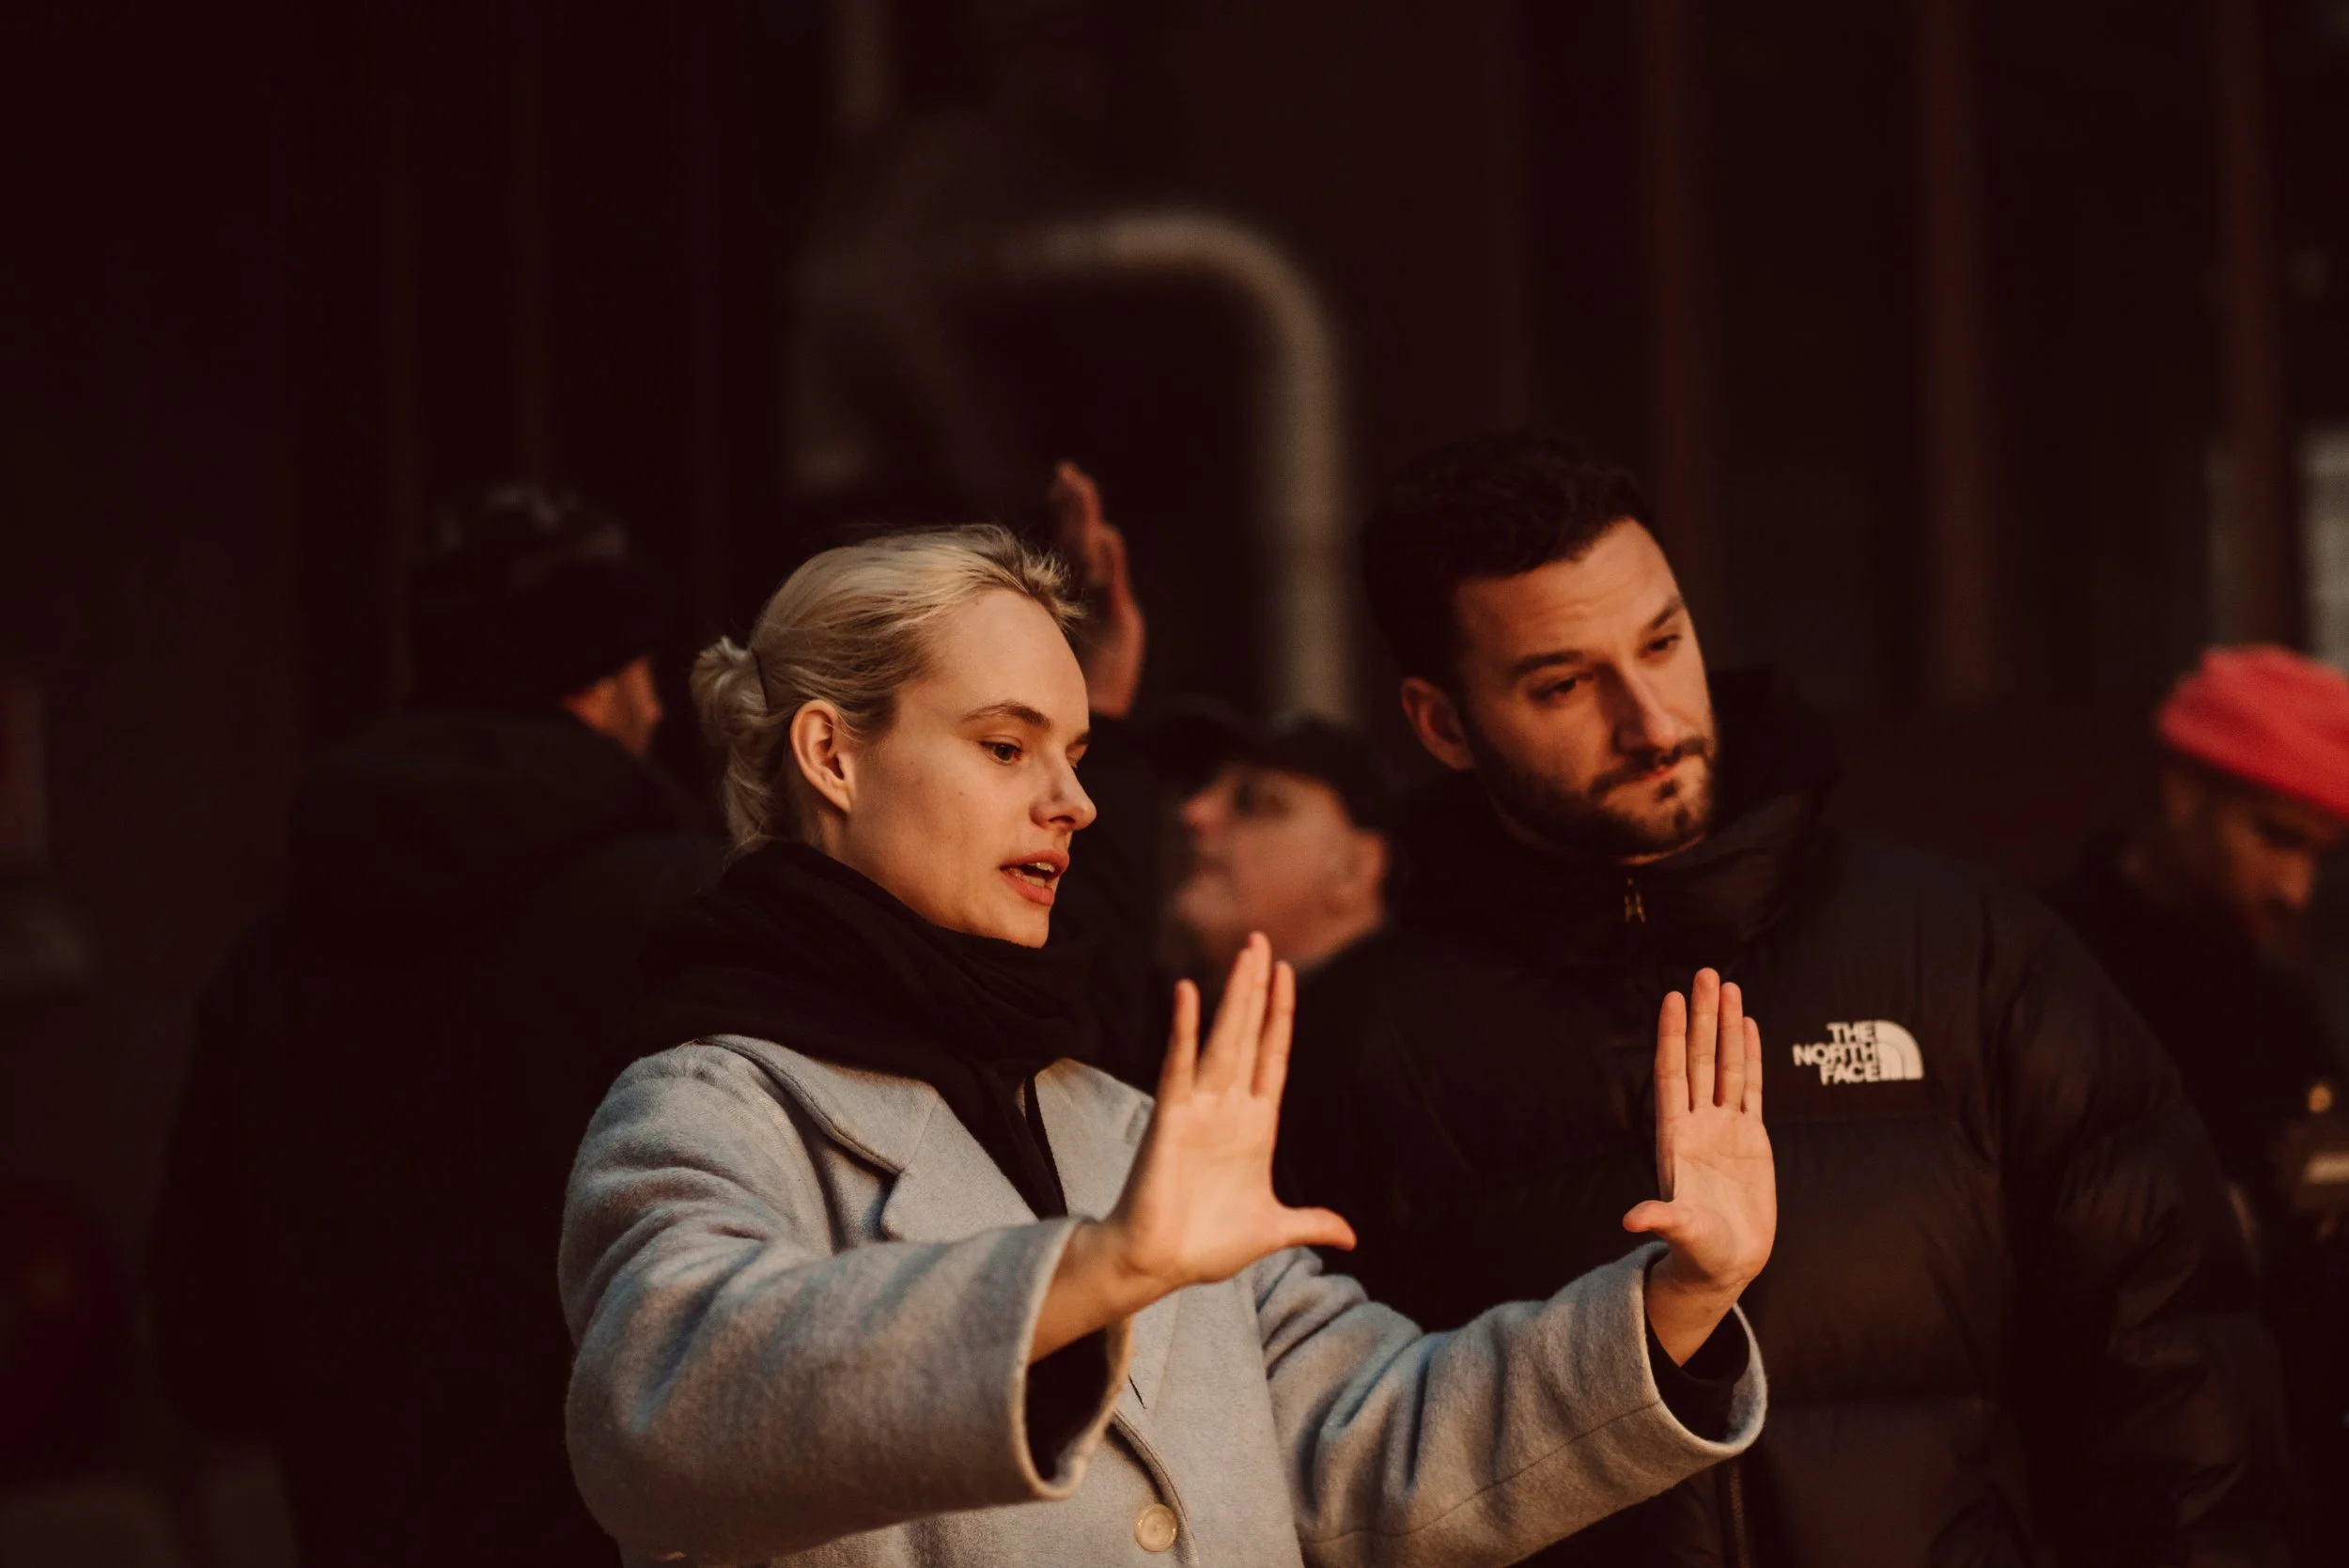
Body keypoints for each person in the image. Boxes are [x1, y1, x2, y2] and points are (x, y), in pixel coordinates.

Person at [558, 524, 1776, 1567]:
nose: (1075, 803)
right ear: (831, 754)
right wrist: (1099, 1271)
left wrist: (1675, 1305)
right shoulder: (708, 1099)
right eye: (1004, 745)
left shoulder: (1115, 1114)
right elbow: (662, 1412)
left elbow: (1371, 1441)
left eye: (1078, 756)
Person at [1276, 431, 2291, 1567]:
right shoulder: (1361, 1046)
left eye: (1661, 642)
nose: (1651, 720)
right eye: (1564, 684)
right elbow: (1323, 1471)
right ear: (1442, 724)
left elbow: (2177, 1383)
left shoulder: (1962, 949)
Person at [149, 487, 723, 1568]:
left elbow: (205, 1362)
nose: (656, 711)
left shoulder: (266, 968)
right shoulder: (686, 924)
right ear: (598, 684)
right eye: (644, 672)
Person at [2046, 645, 2349, 1561]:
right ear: (2186, 792)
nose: (2294, 888)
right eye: (2274, 837)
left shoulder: (2284, 1015)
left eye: (2318, 855)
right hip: (2098, 1501)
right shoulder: (2043, 976)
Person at [1157, 706, 1394, 976]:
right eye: (1194, 786)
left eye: (1255, 801)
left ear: (1353, 869)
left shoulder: (1412, 1011)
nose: (1194, 812)